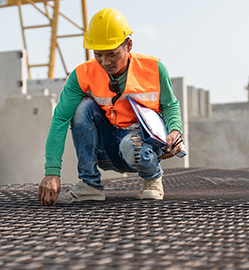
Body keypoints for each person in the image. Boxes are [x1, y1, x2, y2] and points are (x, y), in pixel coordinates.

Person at [38, 8, 183, 206]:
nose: (105, 62)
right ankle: (90, 185)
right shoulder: (82, 74)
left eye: (112, 55)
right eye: (98, 55)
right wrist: (52, 172)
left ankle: (152, 178)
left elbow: (169, 105)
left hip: (139, 146)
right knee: (83, 107)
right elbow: (60, 119)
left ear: (128, 45)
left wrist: (175, 131)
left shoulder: (155, 68)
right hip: (106, 146)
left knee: (131, 147)